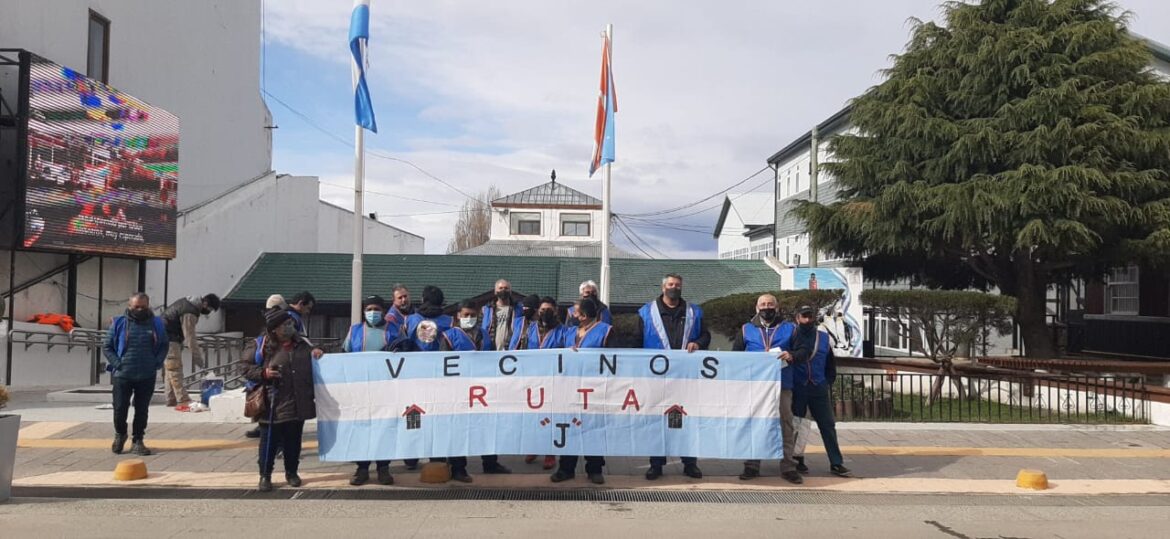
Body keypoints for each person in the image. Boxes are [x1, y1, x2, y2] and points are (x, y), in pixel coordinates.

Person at [635, 273, 709, 480]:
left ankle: (689, 462)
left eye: (677, 285)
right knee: (657, 420)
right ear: (663, 287)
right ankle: (656, 464)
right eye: (670, 284)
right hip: (656, 376)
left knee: (686, 419)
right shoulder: (645, 312)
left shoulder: (694, 312)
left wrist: (699, 343)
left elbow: (706, 335)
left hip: (686, 377)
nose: (674, 287)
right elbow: (636, 341)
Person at [241, 307, 318, 492]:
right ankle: (265, 475)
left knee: (294, 442)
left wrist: (319, 352)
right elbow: (245, 367)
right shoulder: (260, 345)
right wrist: (263, 373)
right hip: (271, 402)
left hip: (297, 402)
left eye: (290, 323)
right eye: (285, 324)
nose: (289, 327)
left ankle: (292, 473)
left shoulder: (303, 344)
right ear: (274, 329)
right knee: (269, 443)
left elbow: (316, 361)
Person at [439, 300, 513, 482]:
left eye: (473, 315)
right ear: (458, 316)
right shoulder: (449, 337)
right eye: (466, 315)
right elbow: (443, 367)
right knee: (459, 430)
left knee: (487, 427)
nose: (469, 318)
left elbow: (495, 360)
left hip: (484, 390)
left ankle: (490, 463)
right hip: (458, 392)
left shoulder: (485, 336)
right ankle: (458, 468)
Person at [732, 294, 802, 484]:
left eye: (770, 304)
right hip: (755, 386)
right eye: (763, 304)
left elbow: (801, 351)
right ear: (757, 308)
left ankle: (788, 466)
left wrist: (791, 355)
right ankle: (751, 465)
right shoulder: (746, 329)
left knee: (786, 425)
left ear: (777, 307)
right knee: (754, 424)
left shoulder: (791, 329)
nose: (766, 307)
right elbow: (735, 357)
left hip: (782, 384)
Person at [783, 305, 850, 478]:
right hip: (798, 387)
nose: (807, 320)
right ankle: (797, 458)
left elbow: (830, 364)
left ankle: (836, 462)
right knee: (798, 425)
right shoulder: (791, 336)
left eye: (810, 316)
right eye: (804, 316)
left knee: (827, 425)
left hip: (818, 387)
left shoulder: (824, 337)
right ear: (797, 318)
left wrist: (827, 382)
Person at [551, 297, 609, 485]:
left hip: (594, 387)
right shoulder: (569, 332)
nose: (573, 315)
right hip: (570, 386)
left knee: (593, 427)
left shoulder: (605, 331)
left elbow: (613, 359)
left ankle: (594, 468)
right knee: (569, 426)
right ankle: (566, 468)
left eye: (575, 312)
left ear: (583, 315)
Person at [103, 293, 168, 456]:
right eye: (136, 306)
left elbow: (164, 345)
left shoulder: (157, 324)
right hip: (122, 375)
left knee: (142, 409)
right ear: (129, 305)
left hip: (146, 374)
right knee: (119, 408)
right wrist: (118, 364)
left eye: (143, 307)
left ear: (148, 306)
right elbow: (107, 346)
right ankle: (120, 434)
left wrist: (156, 363)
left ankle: (138, 440)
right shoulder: (119, 323)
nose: (139, 309)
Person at [344, 295, 398, 486]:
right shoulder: (355, 331)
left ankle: (383, 468)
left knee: (384, 430)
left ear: (383, 311)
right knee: (362, 430)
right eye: (369, 309)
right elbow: (344, 356)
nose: (372, 313)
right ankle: (362, 468)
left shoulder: (393, 330)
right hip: (361, 390)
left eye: (376, 309)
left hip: (385, 390)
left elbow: (404, 355)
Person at [521, 296, 567, 470]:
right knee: (534, 415)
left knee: (551, 415)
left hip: (554, 379)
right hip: (533, 378)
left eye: (548, 310)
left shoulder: (564, 331)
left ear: (555, 311)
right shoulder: (529, 329)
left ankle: (550, 452)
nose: (544, 313)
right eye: (542, 310)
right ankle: (535, 447)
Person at [161, 293, 220, 407]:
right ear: (205, 303)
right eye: (210, 309)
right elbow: (190, 338)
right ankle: (183, 399)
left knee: (170, 369)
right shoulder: (189, 312)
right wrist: (199, 360)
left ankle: (171, 398)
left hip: (166, 337)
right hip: (169, 339)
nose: (208, 312)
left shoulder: (188, 303)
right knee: (175, 368)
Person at [245, 294, 290, 440]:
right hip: (265, 385)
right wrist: (263, 373)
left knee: (283, 425)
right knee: (268, 437)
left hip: (284, 389)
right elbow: (246, 366)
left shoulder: (295, 342)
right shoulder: (260, 342)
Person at [406, 286, 452, 351]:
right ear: (441, 301)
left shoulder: (410, 320)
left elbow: (403, 343)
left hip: (414, 359)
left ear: (422, 300)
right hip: (440, 359)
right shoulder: (450, 322)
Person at [480, 279, 518, 351]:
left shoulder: (517, 309)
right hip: (490, 351)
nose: (503, 290)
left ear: (510, 291)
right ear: (495, 291)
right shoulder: (486, 310)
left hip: (511, 350)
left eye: (506, 288)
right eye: (500, 288)